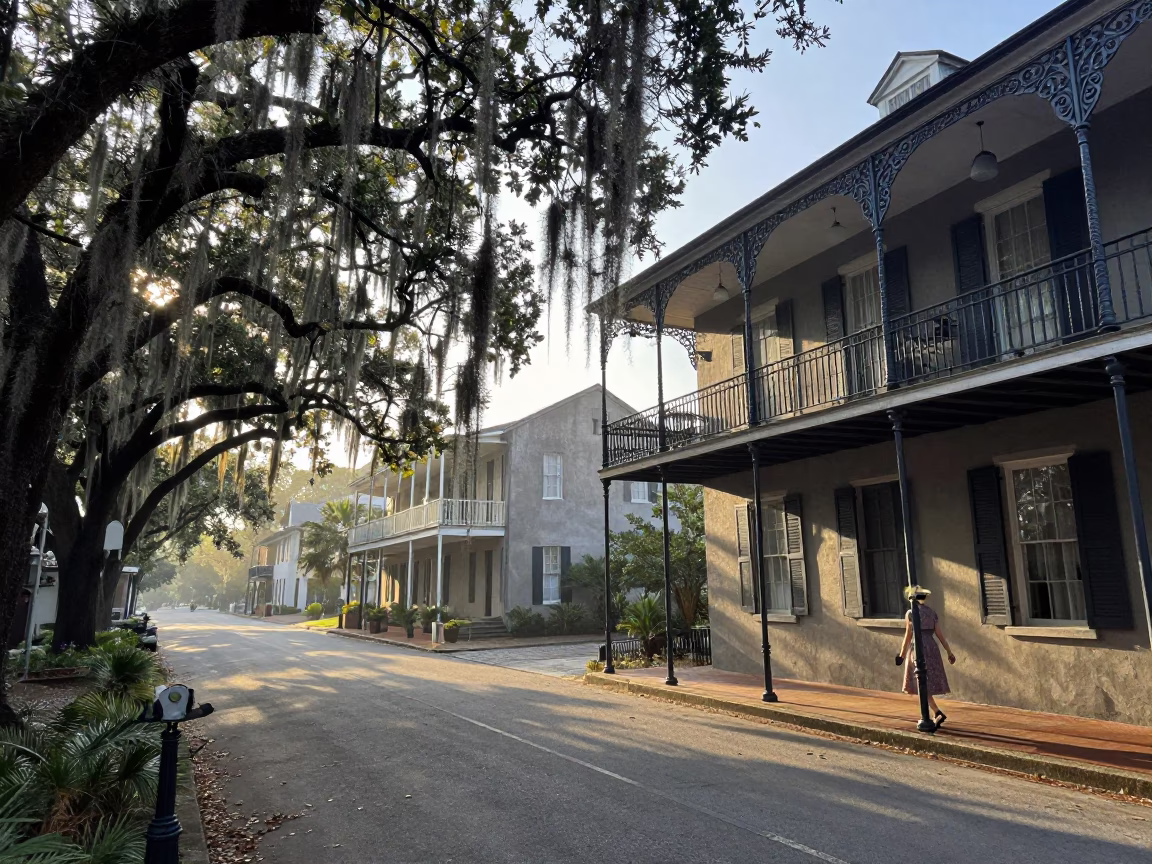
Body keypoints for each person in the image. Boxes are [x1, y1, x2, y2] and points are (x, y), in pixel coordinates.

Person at [895, 585, 955, 727]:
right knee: (925, 681)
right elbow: (940, 635)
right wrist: (949, 651)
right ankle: (935, 712)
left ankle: (935, 712)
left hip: (919, 647)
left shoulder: (910, 613)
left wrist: (902, 655)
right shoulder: (931, 613)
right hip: (932, 646)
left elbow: (908, 635)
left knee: (921, 681)